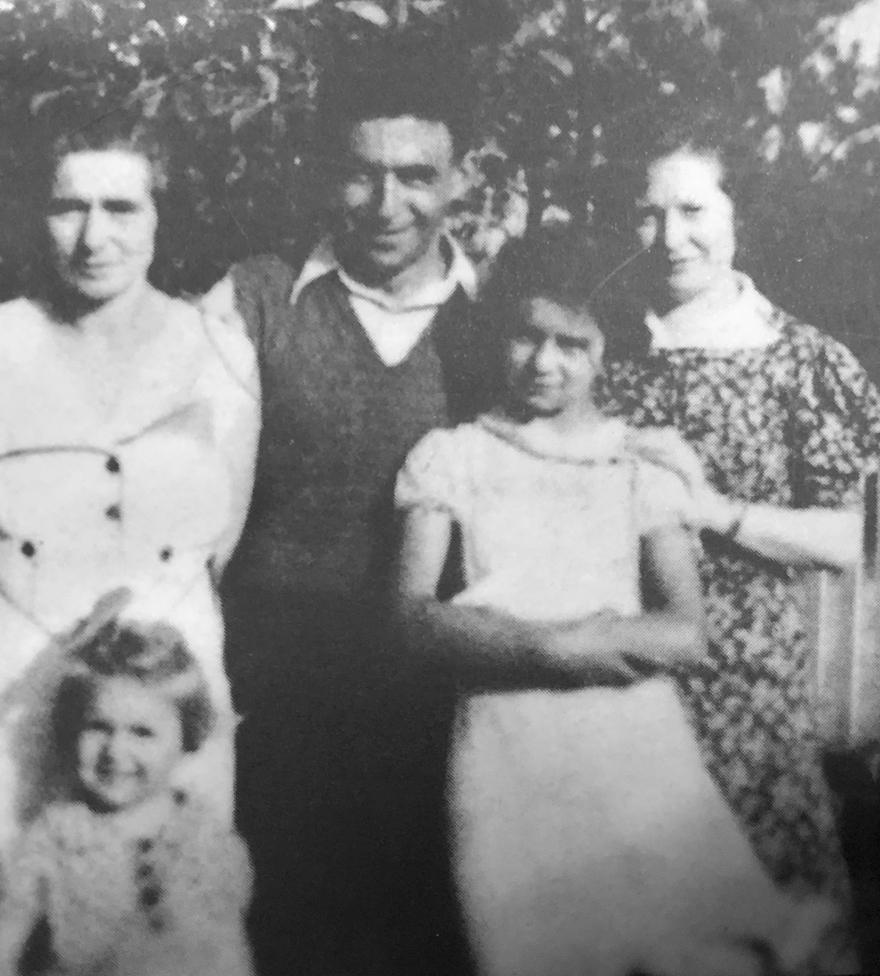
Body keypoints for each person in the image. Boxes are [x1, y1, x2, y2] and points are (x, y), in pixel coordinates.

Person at [391, 239, 838, 976]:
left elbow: (687, 632)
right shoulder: (453, 455)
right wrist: (549, 649)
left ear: (606, 353)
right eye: (526, 336)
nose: (544, 363)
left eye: (573, 344)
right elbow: (409, 618)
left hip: (633, 743)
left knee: (682, 947)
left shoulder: (636, 463)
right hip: (509, 743)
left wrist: (593, 641)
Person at [0, 96, 259, 972]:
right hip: (3, 669)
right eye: (68, 206)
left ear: (160, 216)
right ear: (38, 212)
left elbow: (224, 525)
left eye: (122, 207)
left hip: (165, 673)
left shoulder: (220, 349)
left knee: (170, 926)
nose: (92, 235)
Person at [202, 32, 492, 976]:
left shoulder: (505, 323)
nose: (388, 204)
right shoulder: (252, 299)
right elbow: (200, 514)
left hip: (453, 693)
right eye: (361, 175)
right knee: (283, 932)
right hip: (282, 685)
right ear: (327, 174)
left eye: (417, 175)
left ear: (460, 179)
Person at [600, 121, 880, 970]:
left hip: (756, 703)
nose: (670, 236)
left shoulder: (803, 361)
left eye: (692, 208)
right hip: (624, 693)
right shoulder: (596, 351)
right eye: (647, 214)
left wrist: (717, 512)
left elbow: (852, 540)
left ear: (738, 215)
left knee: (780, 940)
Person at [0, 603, 253, 976]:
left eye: (142, 732)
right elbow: (4, 939)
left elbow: (227, 947)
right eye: (98, 727)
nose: (116, 750)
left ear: (186, 737)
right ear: (71, 730)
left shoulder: (204, 837)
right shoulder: (58, 835)